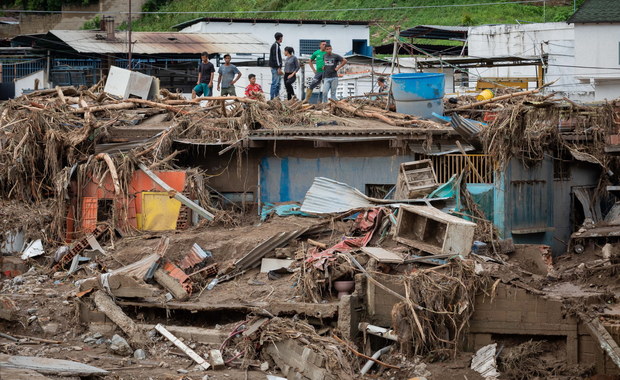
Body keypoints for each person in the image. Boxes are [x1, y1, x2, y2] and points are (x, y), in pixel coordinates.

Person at [268, 32, 283, 100]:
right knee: (275, 83)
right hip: (275, 67)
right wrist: (278, 67)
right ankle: (273, 98)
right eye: (282, 37)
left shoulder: (276, 45)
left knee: (277, 84)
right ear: (280, 38)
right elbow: (276, 57)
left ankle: (276, 97)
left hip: (275, 67)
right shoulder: (276, 45)